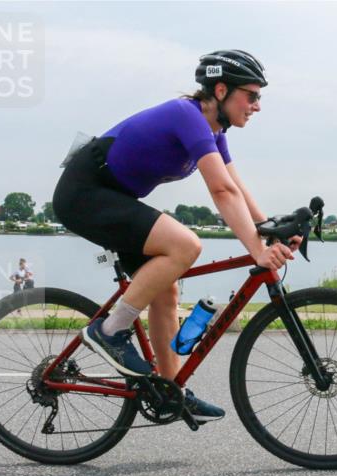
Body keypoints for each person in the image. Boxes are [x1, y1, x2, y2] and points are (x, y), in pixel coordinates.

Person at [52, 50, 300, 423]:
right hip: (84, 193)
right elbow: (221, 192)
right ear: (221, 91)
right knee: (185, 245)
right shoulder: (187, 116)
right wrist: (256, 250)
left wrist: (268, 231)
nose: (257, 106)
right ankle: (109, 331)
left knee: (165, 289)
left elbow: (234, 186)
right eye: (251, 95)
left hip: (114, 197)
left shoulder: (214, 131)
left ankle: (172, 391)